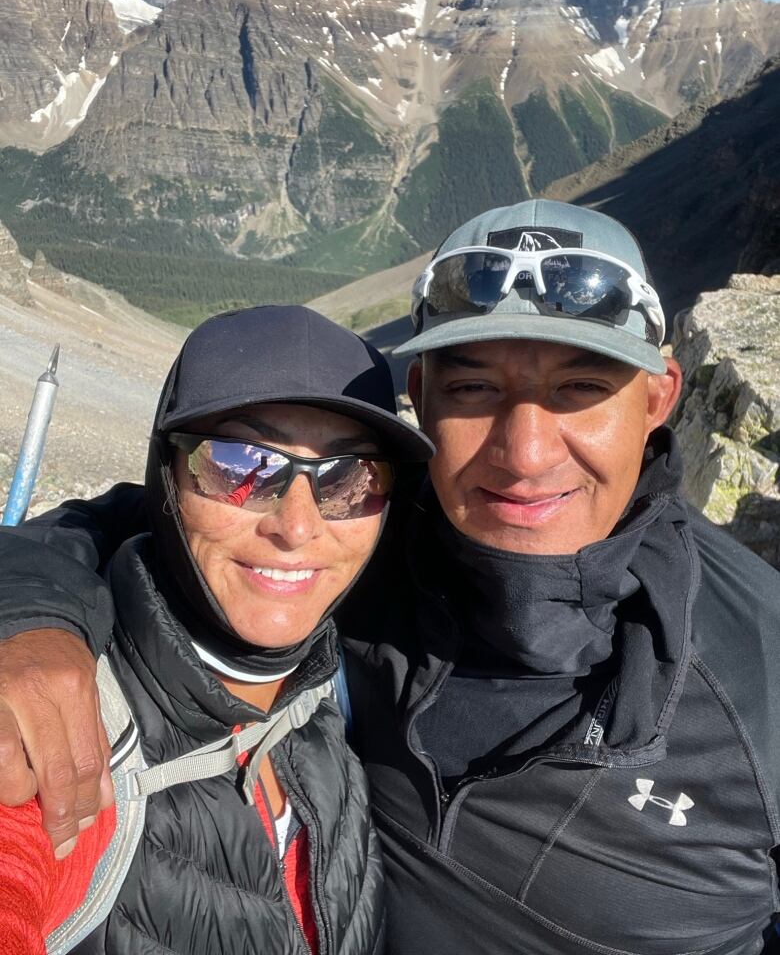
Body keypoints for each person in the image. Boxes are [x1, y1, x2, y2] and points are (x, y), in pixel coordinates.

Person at [0, 200, 779, 954]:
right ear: (422, 402)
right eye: (474, 388)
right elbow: (140, 523)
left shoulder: (760, 654)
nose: (527, 453)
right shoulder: (360, 538)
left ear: (659, 398)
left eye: (580, 390)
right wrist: (32, 617)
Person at [0, 303, 434, 954]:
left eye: (351, 478)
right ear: (166, 476)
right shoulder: (60, 716)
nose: (296, 526)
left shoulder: (326, 692)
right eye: (238, 464)